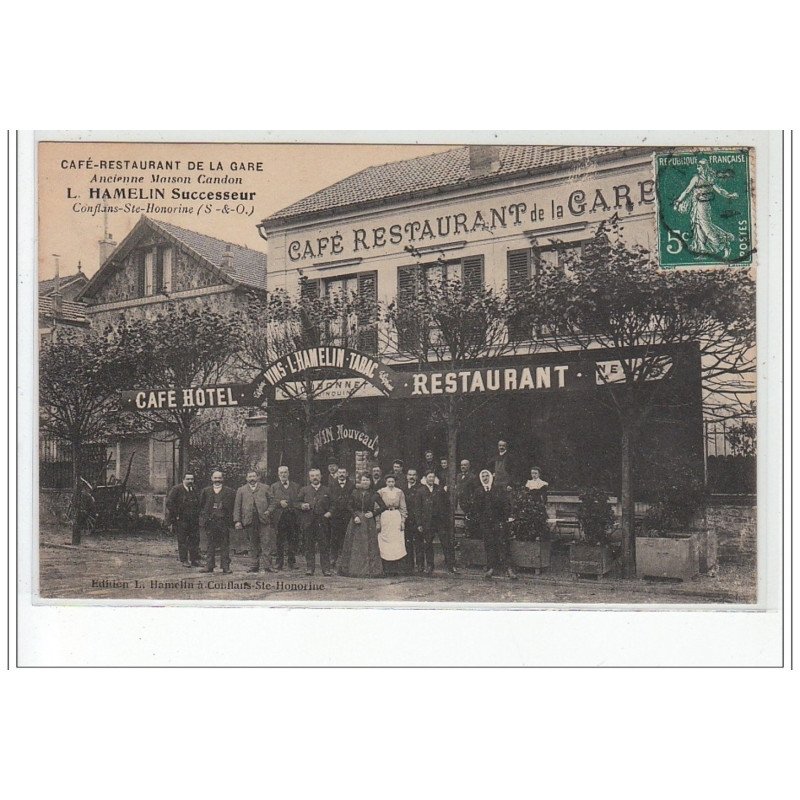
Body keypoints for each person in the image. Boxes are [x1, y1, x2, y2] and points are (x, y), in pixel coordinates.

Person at [673, 159, 738, 259]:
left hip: (704, 205)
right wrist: (678, 201)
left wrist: (729, 195)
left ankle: (724, 244)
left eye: (699, 166)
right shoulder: (697, 177)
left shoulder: (706, 178)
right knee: (697, 226)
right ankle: (703, 251)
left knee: (705, 226)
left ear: (703, 167)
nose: (697, 168)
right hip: (696, 204)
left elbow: (719, 190)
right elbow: (687, 191)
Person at [337, 474, 387, 577]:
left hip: (368, 521)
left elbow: (383, 507)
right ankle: (353, 570)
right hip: (356, 520)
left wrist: (373, 513)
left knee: (369, 545)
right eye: (363, 480)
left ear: (370, 481)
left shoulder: (374, 494)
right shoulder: (355, 493)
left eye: (367, 480)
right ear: (360, 481)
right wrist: (355, 516)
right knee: (355, 545)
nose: (365, 482)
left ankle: (370, 570)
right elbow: (349, 505)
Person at [473, 469, 517, 580]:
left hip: (498, 522)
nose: (485, 478)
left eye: (486, 476)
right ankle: (491, 567)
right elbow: (476, 508)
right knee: (489, 544)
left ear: (490, 477)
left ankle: (508, 568)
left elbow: (506, 505)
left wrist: (504, 519)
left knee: (503, 543)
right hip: (486, 523)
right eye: (482, 476)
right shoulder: (478, 491)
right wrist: (481, 520)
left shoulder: (498, 490)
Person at [234, 470, 276, 573]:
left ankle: (268, 566)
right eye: (250, 477)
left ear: (257, 477)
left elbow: (273, 502)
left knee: (266, 543)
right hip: (249, 520)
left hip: (263, 519)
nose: (252, 479)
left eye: (253, 476)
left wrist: (268, 511)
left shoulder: (265, 488)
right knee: (252, 544)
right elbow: (237, 506)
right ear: (246, 478)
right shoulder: (241, 490)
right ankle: (254, 566)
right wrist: (237, 520)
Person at [417, 470, 458, 575]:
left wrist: (446, 519)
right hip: (427, 522)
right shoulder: (421, 491)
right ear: (425, 478)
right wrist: (420, 523)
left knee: (446, 543)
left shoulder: (440, 489)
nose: (431, 479)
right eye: (429, 477)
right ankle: (430, 565)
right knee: (428, 544)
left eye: (433, 477)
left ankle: (451, 565)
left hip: (440, 522)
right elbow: (418, 509)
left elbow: (447, 504)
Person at [199, 470, 237, 574]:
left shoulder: (230, 491)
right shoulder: (206, 491)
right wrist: (205, 518)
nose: (217, 480)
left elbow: (233, 506)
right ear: (211, 479)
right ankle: (209, 566)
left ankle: (225, 567)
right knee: (210, 544)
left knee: (225, 544)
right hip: (210, 522)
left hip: (223, 522)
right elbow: (201, 506)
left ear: (222, 479)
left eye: (219, 478)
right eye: (215, 478)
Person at [298, 468, 333, 576]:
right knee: (309, 545)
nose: (315, 478)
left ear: (321, 476)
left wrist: (330, 512)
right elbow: (296, 502)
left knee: (324, 545)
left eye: (317, 475)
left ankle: (326, 569)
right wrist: (301, 505)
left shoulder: (327, 490)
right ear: (309, 478)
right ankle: (310, 568)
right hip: (308, 521)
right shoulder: (304, 490)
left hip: (323, 521)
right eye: (312, 476)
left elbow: (334, 504)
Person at [165, 472, 201, 567]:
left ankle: (194, 560)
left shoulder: (194, 489)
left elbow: (198, 502)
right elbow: (169, 503)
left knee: (194, 539)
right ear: (183, 480)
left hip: (193, 519)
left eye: (191, 479)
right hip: (181, 519)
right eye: (188, 479)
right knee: (182, 540)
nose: (190, 481)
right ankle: (184, 560)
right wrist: (177, 513)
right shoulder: (176, 489)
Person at [270, 465, 301, 570]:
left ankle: (292, 561)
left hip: (292, 516)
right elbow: (270, 501)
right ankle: (279, 562)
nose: (283, 474)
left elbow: (299, 500)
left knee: (292, 539)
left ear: (288, 474)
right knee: (279, 540)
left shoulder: (296, 486)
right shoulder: (274, 487)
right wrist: (279, 502)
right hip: (279, 517)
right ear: (278, 475)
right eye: (281, 473)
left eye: (285, 472)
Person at [376, 474, 408, 575]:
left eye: (392, 482)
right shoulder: (381, 492)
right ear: (386, 482)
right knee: (385, 541)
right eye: (389, 481)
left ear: (395, 482)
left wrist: (403, 521)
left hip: (396, 516)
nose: (390, 484)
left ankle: (395, 569)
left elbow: (403, 507)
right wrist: (378, 522)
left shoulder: (399, 492)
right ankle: (386, 568)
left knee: (396, 542)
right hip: (385, 516)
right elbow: (376, 508)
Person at [329, 467, 355, 569]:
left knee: (346, 537)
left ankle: (345, 560)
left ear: (347, 474)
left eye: (343, 472)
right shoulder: (332, 485)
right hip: (335, 515)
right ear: (337, 474)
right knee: (334, 537)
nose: (341, 474)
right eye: (339, 472)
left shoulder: (351, 485)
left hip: (347, 515)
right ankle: (333, 559)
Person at [403, 468, 423, 574]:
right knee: (407, 542)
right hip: (406, 519)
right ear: (406, 476)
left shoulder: (421, 488)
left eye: (414, 475)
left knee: (419, 543)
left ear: (417, 476)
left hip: (416, 519)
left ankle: (420, 565)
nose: (411, 477)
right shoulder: (403, 488)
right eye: (410, 475)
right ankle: (409, 565)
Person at [524, 466, 550, 540]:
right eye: (532, 473)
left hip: (538, 504)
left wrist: (542, 504)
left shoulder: (542, 484)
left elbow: (544, 497)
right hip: (530, 504)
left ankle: (540, 536)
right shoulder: (529, 483)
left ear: (539, 474)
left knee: (539, 520)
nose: (534, 475)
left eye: (535, 473)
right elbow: (526, 494)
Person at [455, 459, 480, 536]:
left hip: (467, 501)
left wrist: (471, 500)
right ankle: (458, 533)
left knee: (467, 517)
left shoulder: (473, 477)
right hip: (458, 500)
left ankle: (467, 533)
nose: (463, 466)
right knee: (458, 517)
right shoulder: (458, 476)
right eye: (462, 465)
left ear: (469, 466)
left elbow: (475, 490)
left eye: (465, 465)